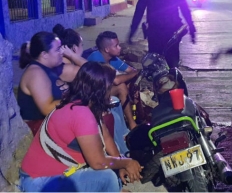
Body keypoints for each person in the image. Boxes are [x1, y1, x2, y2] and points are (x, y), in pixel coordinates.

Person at [19, 62, 142, 192]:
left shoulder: (81, 104)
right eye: (109, 87)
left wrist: (120, 163)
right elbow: (98, 162)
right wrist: (127, 163)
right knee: (107, 177)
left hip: (45, 178)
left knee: (111, 171)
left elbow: (106, 137)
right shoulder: (82, 114)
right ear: (101, 89)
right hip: (40, 183)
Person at [53, 25, 130, 154]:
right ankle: (122, 152)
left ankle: (124, 139)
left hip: (76, 106)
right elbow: (97, 70)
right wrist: (73, 55)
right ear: (73, 48)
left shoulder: (69, 65)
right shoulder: (69, 69)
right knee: (113, 116)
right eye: (81, 45)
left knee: (114, 101)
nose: (83, 48)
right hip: (75, 112)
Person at [18, 31, 86, 135]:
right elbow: (47, 109)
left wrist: (73, 56)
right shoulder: (36, 73)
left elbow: (91, 72)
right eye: (57, 50)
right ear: (44, 54)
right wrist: (76, 98)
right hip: (39, 128)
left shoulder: (52, 68)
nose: (62, 53)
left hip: (54, 121)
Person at [87, 31, 138, 130]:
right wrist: (133, 74)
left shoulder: (113, 58)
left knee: (131, 85)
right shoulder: (96, 58)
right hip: (92, 95)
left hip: (104, 90)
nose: (120, 47)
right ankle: (132, 124)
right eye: (116, 46)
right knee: (122, 87)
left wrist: (132, 76)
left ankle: (138, 117)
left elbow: (131, 70)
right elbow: (116, 81)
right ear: (107, 49)